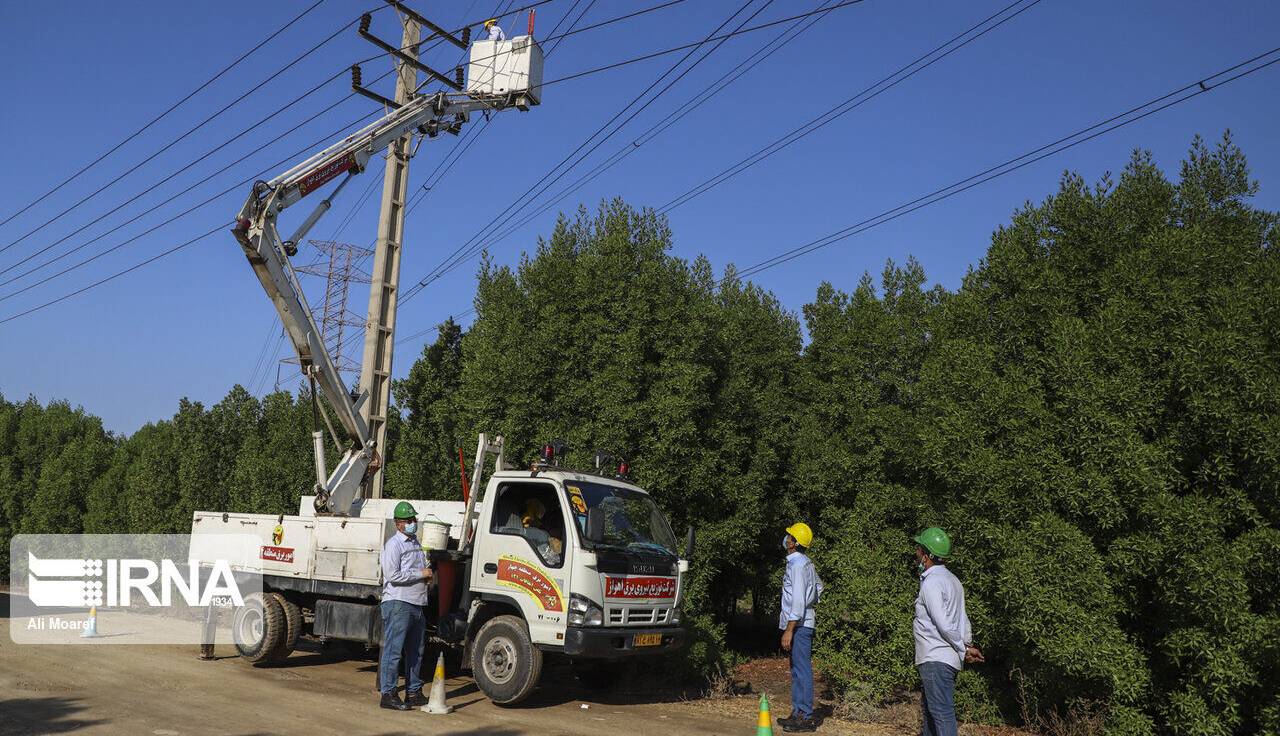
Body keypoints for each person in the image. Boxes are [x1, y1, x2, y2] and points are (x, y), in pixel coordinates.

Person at [912, 527, 984, 736]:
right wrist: (967, 645)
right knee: (931, 715)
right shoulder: (953, 581)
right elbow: (963, 619)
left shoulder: (932, 583)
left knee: (941, 714)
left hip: (936, 657)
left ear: (927, 556)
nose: (916, 552)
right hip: (946, 659)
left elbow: (943, 623)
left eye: (919, 549)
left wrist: (963, 647)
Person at [379, 501, 433, 711]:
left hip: (417, 603)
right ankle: (388, 694)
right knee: (394, 651)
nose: (413, 523)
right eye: (408, 521)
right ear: (398, 524)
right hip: (399, 603)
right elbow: (392, 575)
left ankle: (413, 691)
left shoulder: (415, 543)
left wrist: (425, 578)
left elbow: (417, 570)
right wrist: (421, 574)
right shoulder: (394, 545)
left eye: (414, 520)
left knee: (416, 651)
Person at [778, 522, 823, 733]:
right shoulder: (806, 563)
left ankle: (805, 716)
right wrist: (809, 603)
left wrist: (790, 628)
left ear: (794, 543)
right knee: (796, 669)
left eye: (789, 536)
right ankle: (797, 712)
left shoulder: (797, 565)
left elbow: (797, 601)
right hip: (803, 622)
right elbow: (819, 588)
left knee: (802, 670)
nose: (785, 538)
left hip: (799, 626)